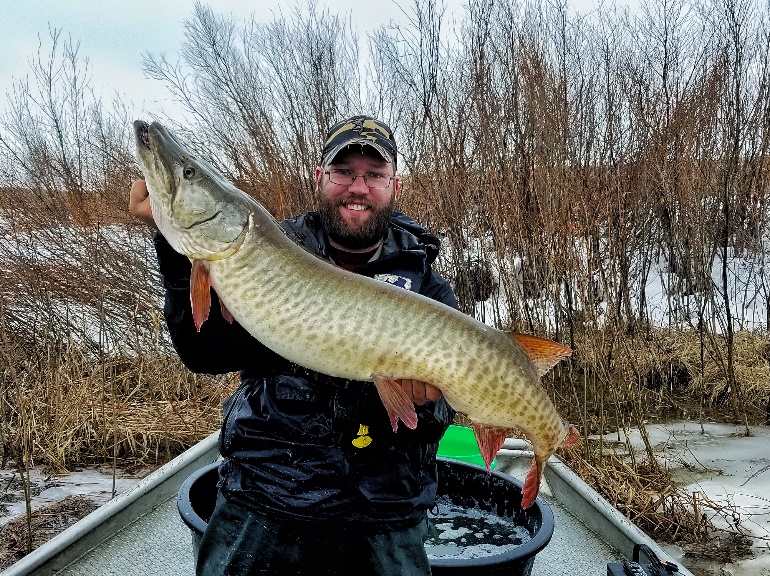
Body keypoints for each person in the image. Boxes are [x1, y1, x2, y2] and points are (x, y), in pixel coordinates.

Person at [129, 115, 458, 576]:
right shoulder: (265, 251)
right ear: (319, 178)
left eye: (374, 174)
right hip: (267, 495)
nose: (357, 187)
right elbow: (203, 353)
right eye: (343, 172)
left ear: (394, 185)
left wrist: (424, 404)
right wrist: (173, 246)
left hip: (386, 511)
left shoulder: (427, 289)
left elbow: (444, 414)